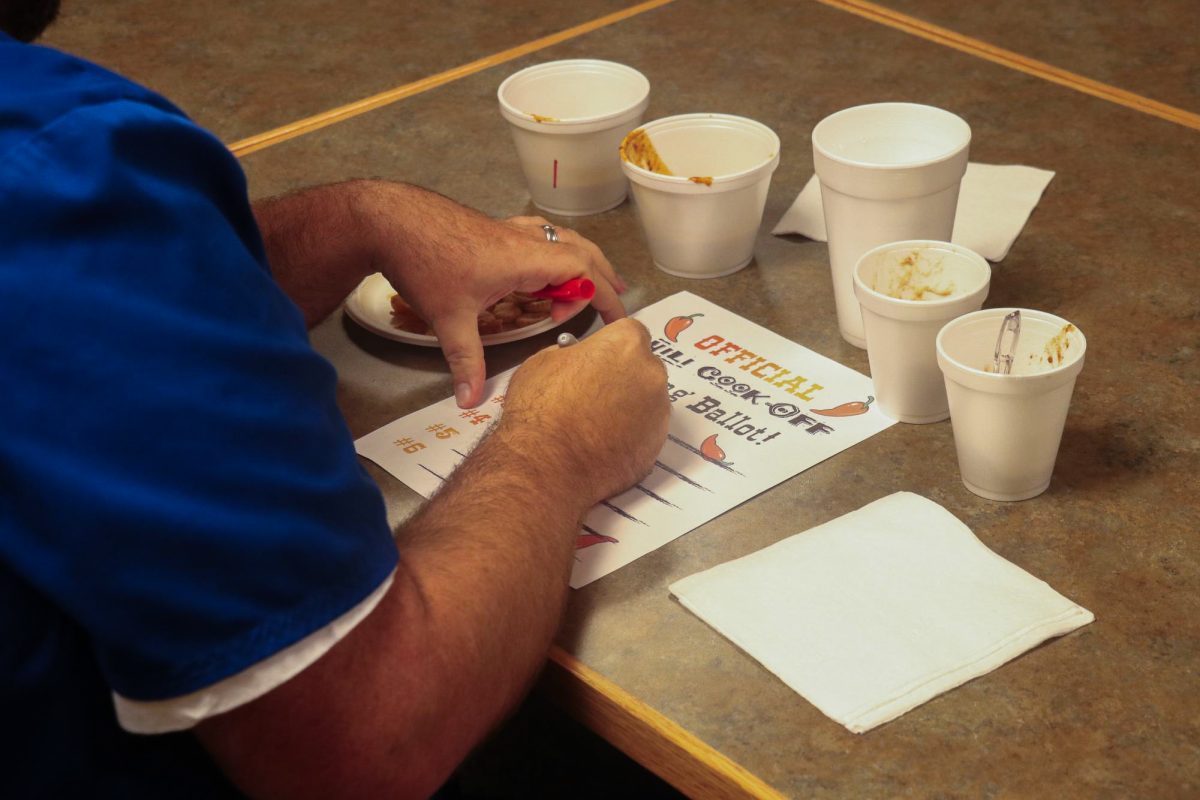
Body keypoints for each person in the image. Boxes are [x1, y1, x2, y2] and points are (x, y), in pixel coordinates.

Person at [0, 2, 670, 797]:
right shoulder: (57, 171)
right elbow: (364, 745)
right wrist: (559, 442)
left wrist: (359, 217)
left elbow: (73, 309)